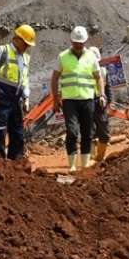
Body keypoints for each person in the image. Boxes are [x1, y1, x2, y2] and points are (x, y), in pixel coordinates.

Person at [51, 26, 106, 172]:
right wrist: (56, 99)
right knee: (72, 131)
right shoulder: (62, 56)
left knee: (87, 132)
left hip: (87, 100)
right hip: (69, 101)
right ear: (71, 41)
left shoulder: (92, 57)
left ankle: (85, 165)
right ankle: (72, 165)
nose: (78, 45)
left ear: (85, 42)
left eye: (81, 43)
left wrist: (101, 94)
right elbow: (55, 78)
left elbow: (98, 77)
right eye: (76, 43)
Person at [0, 24, 36, 160]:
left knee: (17, 132)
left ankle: (15, 163)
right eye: (25, 43)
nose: (27, 47)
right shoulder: (1, 51)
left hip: (16, 98)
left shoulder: (26, 58)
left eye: (29, 44)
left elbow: (25, 79)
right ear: (17, 39)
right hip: (1, 96)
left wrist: (26, 98)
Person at [88, 47, 113, 162]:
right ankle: (91, 159)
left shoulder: (103, 71)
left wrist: (109, 102)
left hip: (100, 103)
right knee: (89, 131)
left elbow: (108, 88)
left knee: (104, 132)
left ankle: (100, 158)